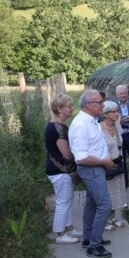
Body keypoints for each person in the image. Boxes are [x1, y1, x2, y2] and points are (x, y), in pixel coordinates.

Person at [69, 90, 116, 258]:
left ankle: (89, 238)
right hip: (91, 168)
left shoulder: (91, 120)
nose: (103, 105)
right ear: (89, 105)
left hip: (96, 167)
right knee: (105, 205)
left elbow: (93, 146)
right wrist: (104, 162)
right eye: (99, 102)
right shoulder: (81, 124)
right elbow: (81, 158)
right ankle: (94, 245)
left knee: (92, 204)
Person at [45, 94, 82, 244]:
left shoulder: (53, 125)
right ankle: (60, 234)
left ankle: (69, 228)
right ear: (60, 109)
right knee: (63, 202)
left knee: (67, 199)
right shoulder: (59, 128)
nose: (72, 109)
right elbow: (66, 154)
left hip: (57, 169)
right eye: (69, 106)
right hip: (59, 170)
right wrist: (80, 158)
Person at [99, 101, 127, 230]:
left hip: (118, 163)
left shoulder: (117, 126)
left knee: (117, 191)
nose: (117, 114)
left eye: (117, 111)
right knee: (107, 193)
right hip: (105, 165)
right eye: (114, 111)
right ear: (105, 114)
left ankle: (114, 218)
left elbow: (120, 144)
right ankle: (105, 221)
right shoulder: (99, 128)